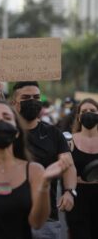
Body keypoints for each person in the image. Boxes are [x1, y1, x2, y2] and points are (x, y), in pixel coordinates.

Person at [0, 100, 73, 239]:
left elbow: (37, 222)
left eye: (7, 117)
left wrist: (44, 185)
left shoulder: (34, 171)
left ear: (16, 132)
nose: (1, 121)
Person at [11, 81, 77, 239]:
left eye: (36, 97)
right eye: (26, 97)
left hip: (46, 220)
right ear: (14, 103)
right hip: (10, 218)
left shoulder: (53, 133)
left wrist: (69, 192)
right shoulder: (5, 132)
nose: (32, 101)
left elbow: (68, 165)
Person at [66, 98, 98, 239]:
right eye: (84, 111)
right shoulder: (69, 142)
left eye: (92, 111)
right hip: (78, 200)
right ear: (78, 116)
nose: (88, 113)